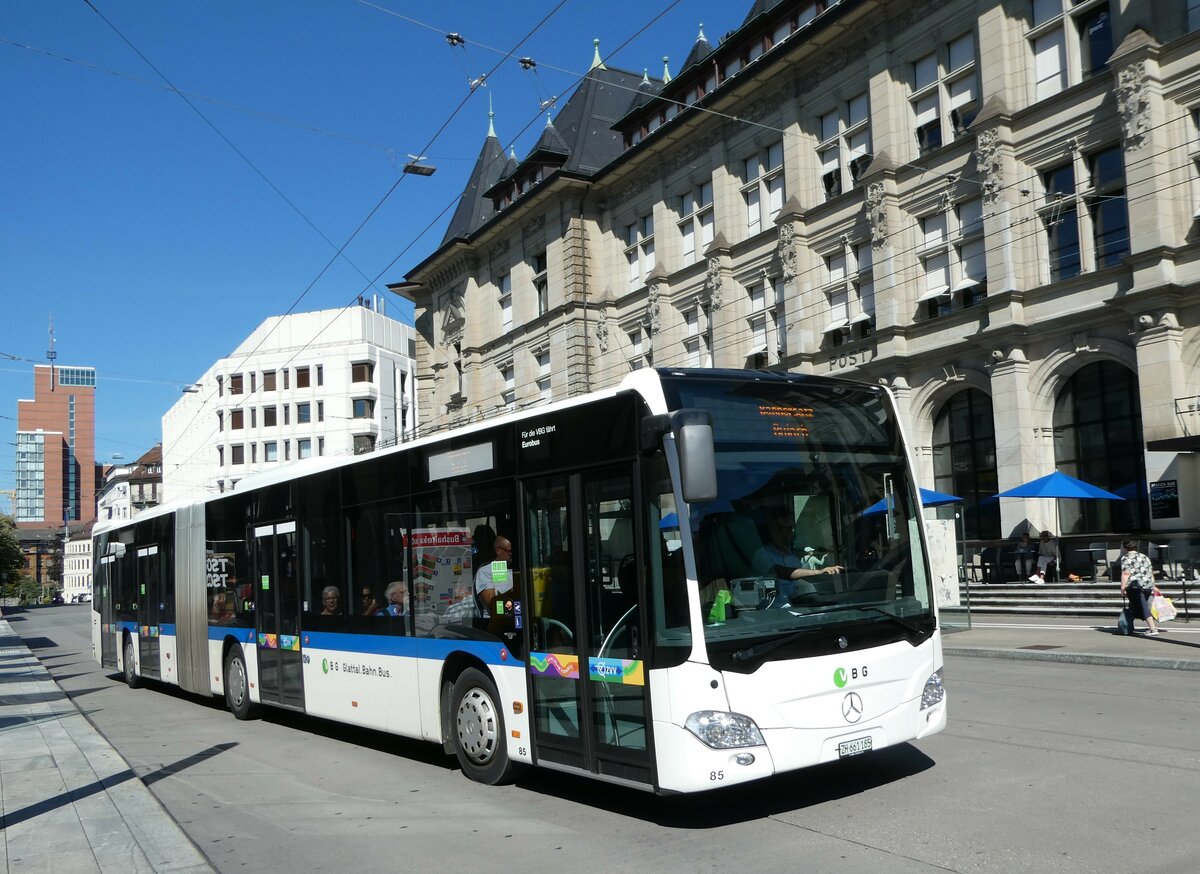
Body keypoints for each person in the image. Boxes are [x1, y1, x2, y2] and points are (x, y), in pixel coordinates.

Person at [752, 510, 843, 606]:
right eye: (782, 528)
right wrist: (820, 572)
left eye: (789, 529)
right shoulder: (762, 554)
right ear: (773, 531)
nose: (786, 533)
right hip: (770, 614)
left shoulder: (793, 558)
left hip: (797, 609)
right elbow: (781, 572)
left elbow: (800, 585)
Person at [1120, 540, 1160, 636]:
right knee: (1134, 606)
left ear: (1125, 548)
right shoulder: (1144, 556)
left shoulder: (1126, 558)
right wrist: (1153, 586)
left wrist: (1122, 588)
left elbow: (1126, 573)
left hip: (1135, 587)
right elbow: (1150, 572)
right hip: (1147, 585)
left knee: (1143, 607)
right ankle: (1128, 626)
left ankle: (1153, 629)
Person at [475, 535, 515, 619]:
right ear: (498, 550)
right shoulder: (486, 571)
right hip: (499, 618)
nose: (511, 554)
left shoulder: (516, 569)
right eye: (509, 551)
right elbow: (491, 602)